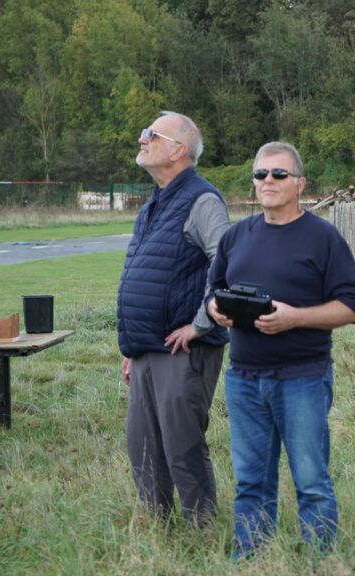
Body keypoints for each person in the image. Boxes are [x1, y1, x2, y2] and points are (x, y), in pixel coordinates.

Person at [207, 141, 355, 557]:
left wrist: (296, 317)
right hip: (243, 377)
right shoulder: (236, 235)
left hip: (302, 377)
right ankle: (252, 558)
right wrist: (215, 309)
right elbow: (213, 290)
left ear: (300, 184)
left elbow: (352, 306)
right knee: (251, 480)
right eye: (261, 174)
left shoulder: (323, 238)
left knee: (311, 480)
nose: (268, 182)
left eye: (279, 174)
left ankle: (318, 559)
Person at [117, 111, 230, 525]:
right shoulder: (153, 204)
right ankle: (158, 529)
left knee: (182, 445)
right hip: (148, 349)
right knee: (142, 446)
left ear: (179, 149)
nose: (142, 138)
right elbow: (142, 272)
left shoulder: (202, 200)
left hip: (184, 350)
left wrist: (202, 323)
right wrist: (132, 346)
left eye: (152, 134)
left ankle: (202, 529)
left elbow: (226, 263)